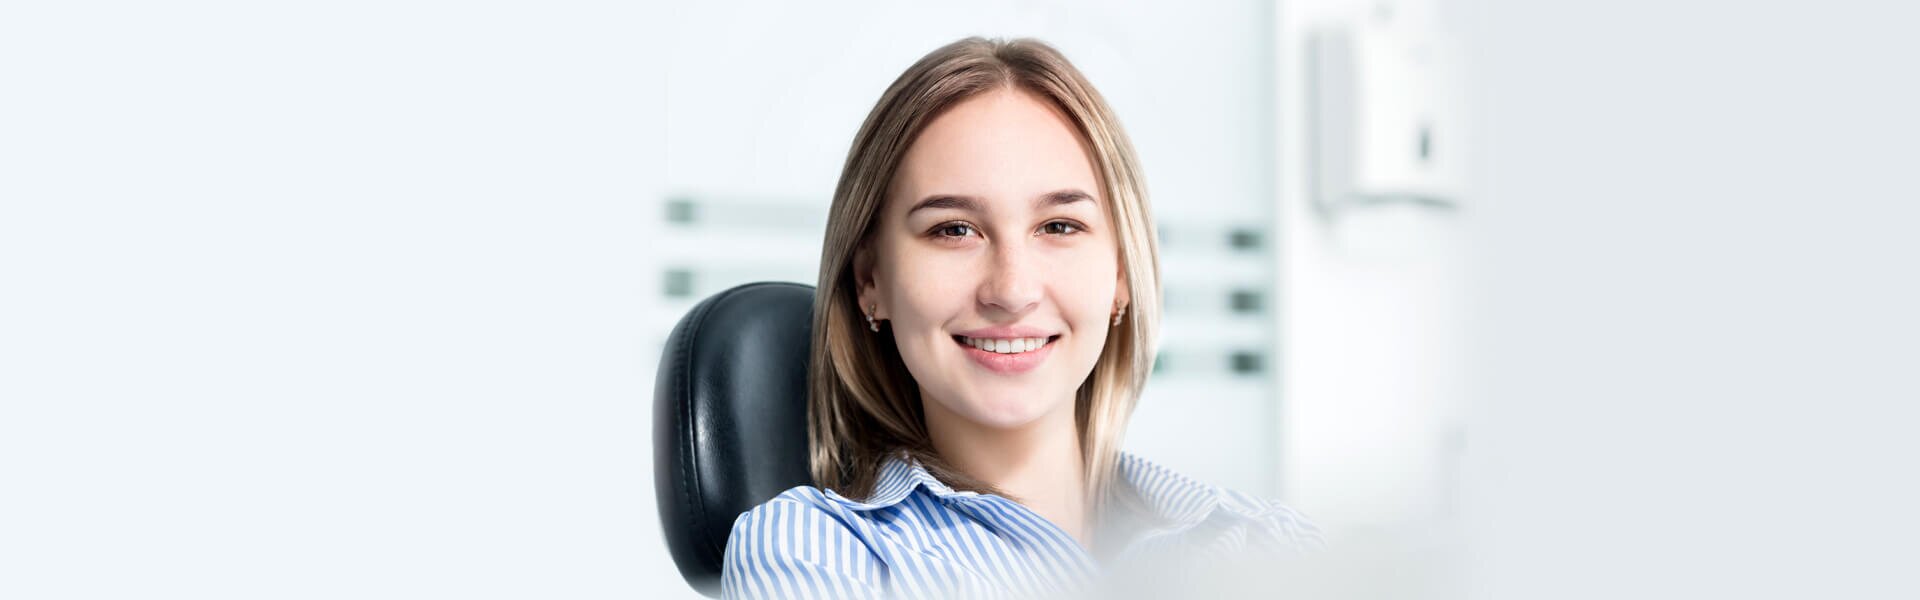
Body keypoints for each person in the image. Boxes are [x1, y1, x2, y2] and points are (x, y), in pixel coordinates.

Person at [720, 37, 1320, 599]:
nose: (1011, 290)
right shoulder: (814, 556)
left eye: (1059, 227)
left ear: (1120, 276)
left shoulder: (1267, 545)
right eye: (953, 230)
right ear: (871, 281)